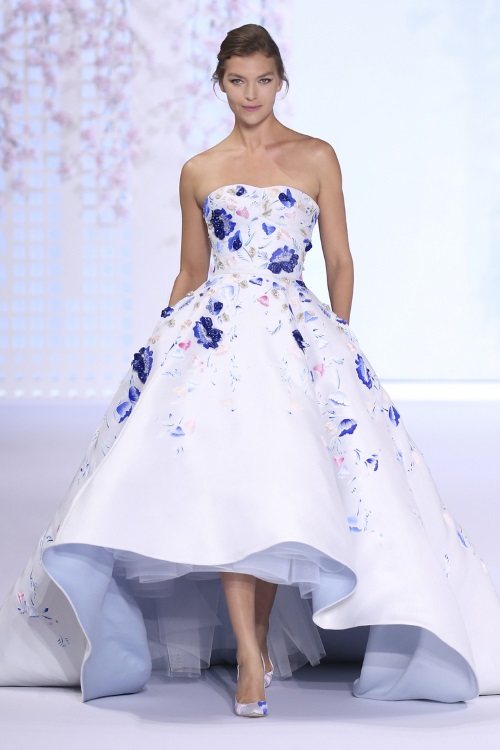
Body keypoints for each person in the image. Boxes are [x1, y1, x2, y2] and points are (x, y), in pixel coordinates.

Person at [1, 23, 500, 720]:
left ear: (280, 82)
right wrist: (163, 341)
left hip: (297, 340)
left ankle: (259, 652)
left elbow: (340, 259)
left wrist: (335, 338)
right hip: (219, 343)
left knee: (277, 487)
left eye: (263, 79)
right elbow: (191, 269)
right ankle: (248, 656)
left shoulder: (317, 157)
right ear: (220, 84)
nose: (251, 93)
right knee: (237, 487)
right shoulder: (200, 170)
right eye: (237, 81)